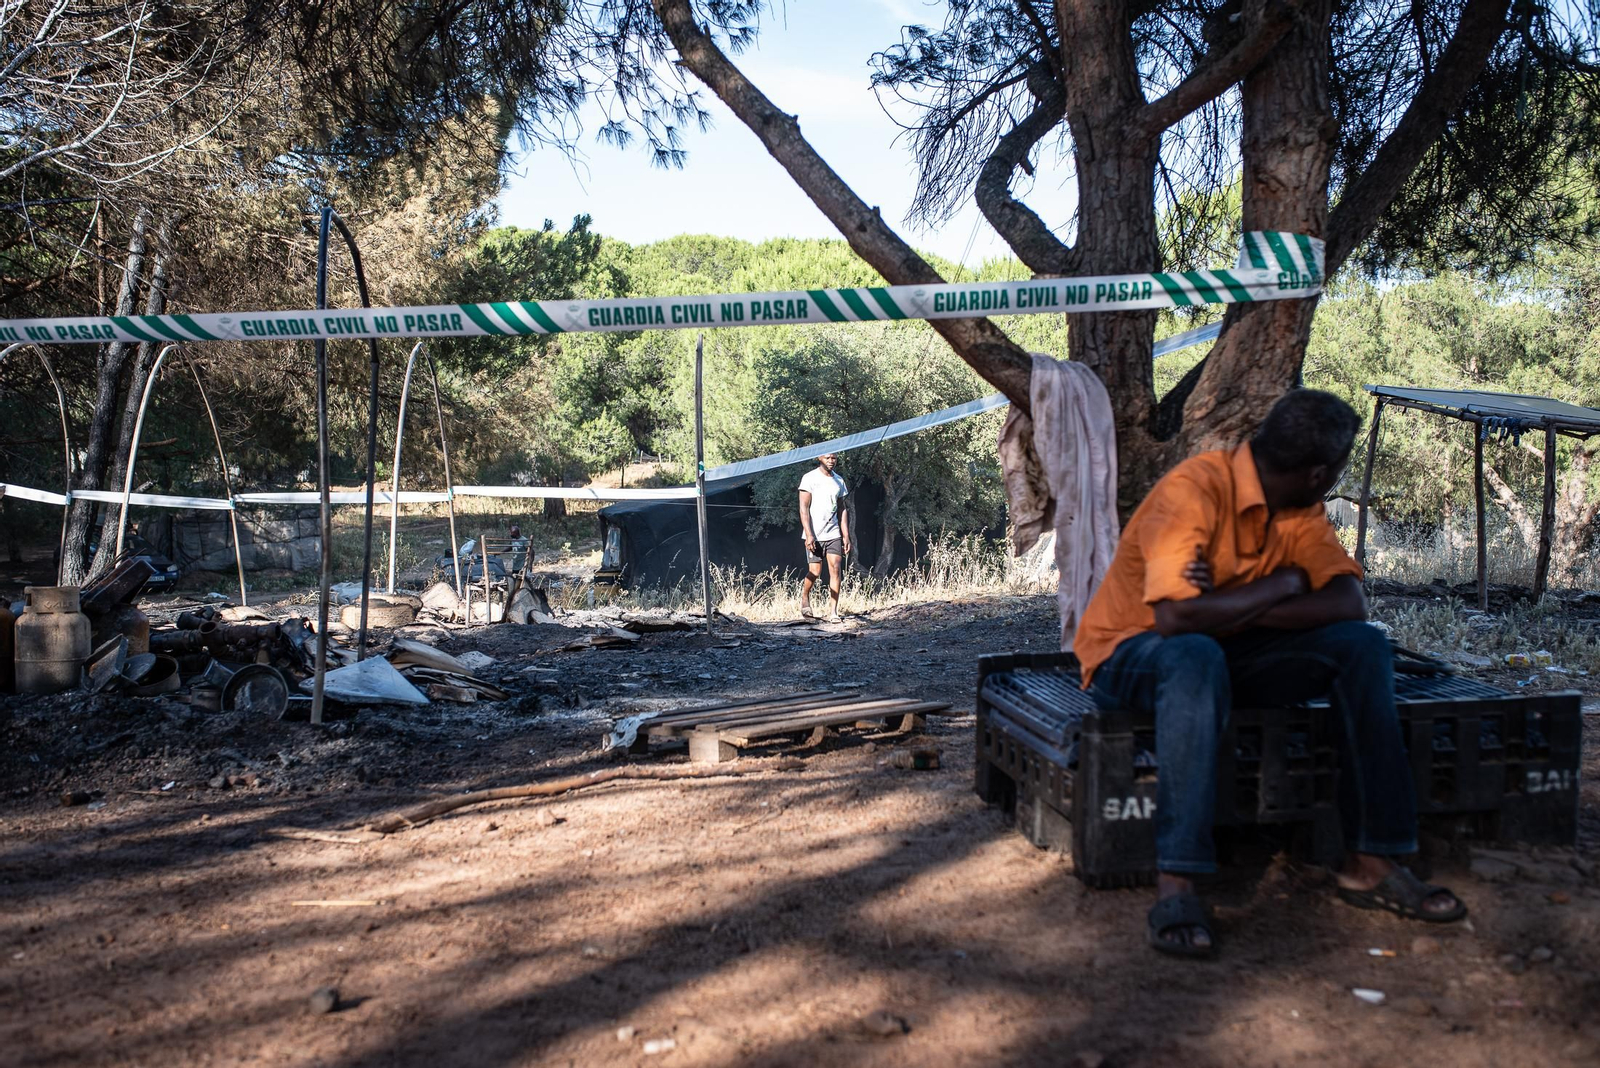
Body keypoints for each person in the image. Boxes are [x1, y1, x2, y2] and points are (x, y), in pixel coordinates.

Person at [1073, 389, 1466, 959]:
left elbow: (1348, 605)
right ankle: (1177, 881)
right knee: (1195, 655)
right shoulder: (1193, 490)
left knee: (1364, 647)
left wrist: (1233, 601)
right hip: (1132, 650)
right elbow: (1177, 620)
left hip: (1229, 647)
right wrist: (1283, 584)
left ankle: (1370, 861)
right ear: (1319, 474)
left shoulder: (1302, 510)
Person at [798, 453, 850, 621]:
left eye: (834, 458)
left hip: (833, 533)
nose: (831, 461)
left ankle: (833, 612)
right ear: (819, 458)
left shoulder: (839, 480)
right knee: (815, 572)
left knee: (835, 568)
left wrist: (846, 535)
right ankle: (805, 596)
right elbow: (804, 508)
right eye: (827, 458)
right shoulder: (809, 478)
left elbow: (842, 509)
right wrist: (809, 534)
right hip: (814, 534)